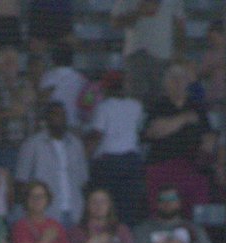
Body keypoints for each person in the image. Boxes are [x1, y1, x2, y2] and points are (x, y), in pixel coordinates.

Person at [143, 63, 213, 217]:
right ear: (166, 83)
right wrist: (184, 118)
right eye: (173, 79)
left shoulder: (197, 107)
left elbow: (208, 136)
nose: (178, 82)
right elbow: (154, 131)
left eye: (181, 78)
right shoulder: (158, 106)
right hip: (162, 165)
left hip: (191, 167)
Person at [86, 70, 147, 225]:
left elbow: (96, 136)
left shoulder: (104, 107)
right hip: (131, 162)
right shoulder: (136, 106)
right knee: (128, 209)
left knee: (106, 208)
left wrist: (86, 157)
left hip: (108, 164)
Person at [15, 102, 88, 227]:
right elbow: (21, 181)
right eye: (56, 114)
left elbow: (83, 181)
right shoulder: (32, 144)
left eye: (63, 115)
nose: (60, 118)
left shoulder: (76, 144)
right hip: (44, 214)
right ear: (47, 118)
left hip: (74, 211)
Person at [110, 0, 184, 103]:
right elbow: (115, 22)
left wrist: (179, 54)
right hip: (136, 56)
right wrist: (138, 11)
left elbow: (180, 24)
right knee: (136, 103)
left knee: (161, 103)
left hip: (163, 56)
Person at [0, 47, 37, 170]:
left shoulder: (26, 85)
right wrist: (6, 114)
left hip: (27, 147)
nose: (11, 66)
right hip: (2, 149)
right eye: (7, 62)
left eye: (14, 62)